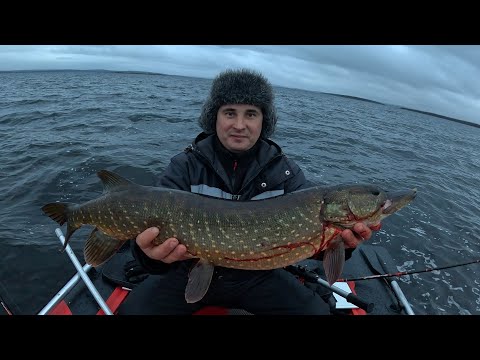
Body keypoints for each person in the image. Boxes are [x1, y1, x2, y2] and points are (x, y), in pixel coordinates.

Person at [117, 68, 374, 315]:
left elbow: (311, 241)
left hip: (259, 276)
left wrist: (342, 243)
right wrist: (148, 256)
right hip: (188, 270)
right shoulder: (185, 166)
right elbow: (148, 232)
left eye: (251, 114)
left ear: (264, 120)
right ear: (214, 117)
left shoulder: (285, 173)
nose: (239, 124)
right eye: (230, 112)